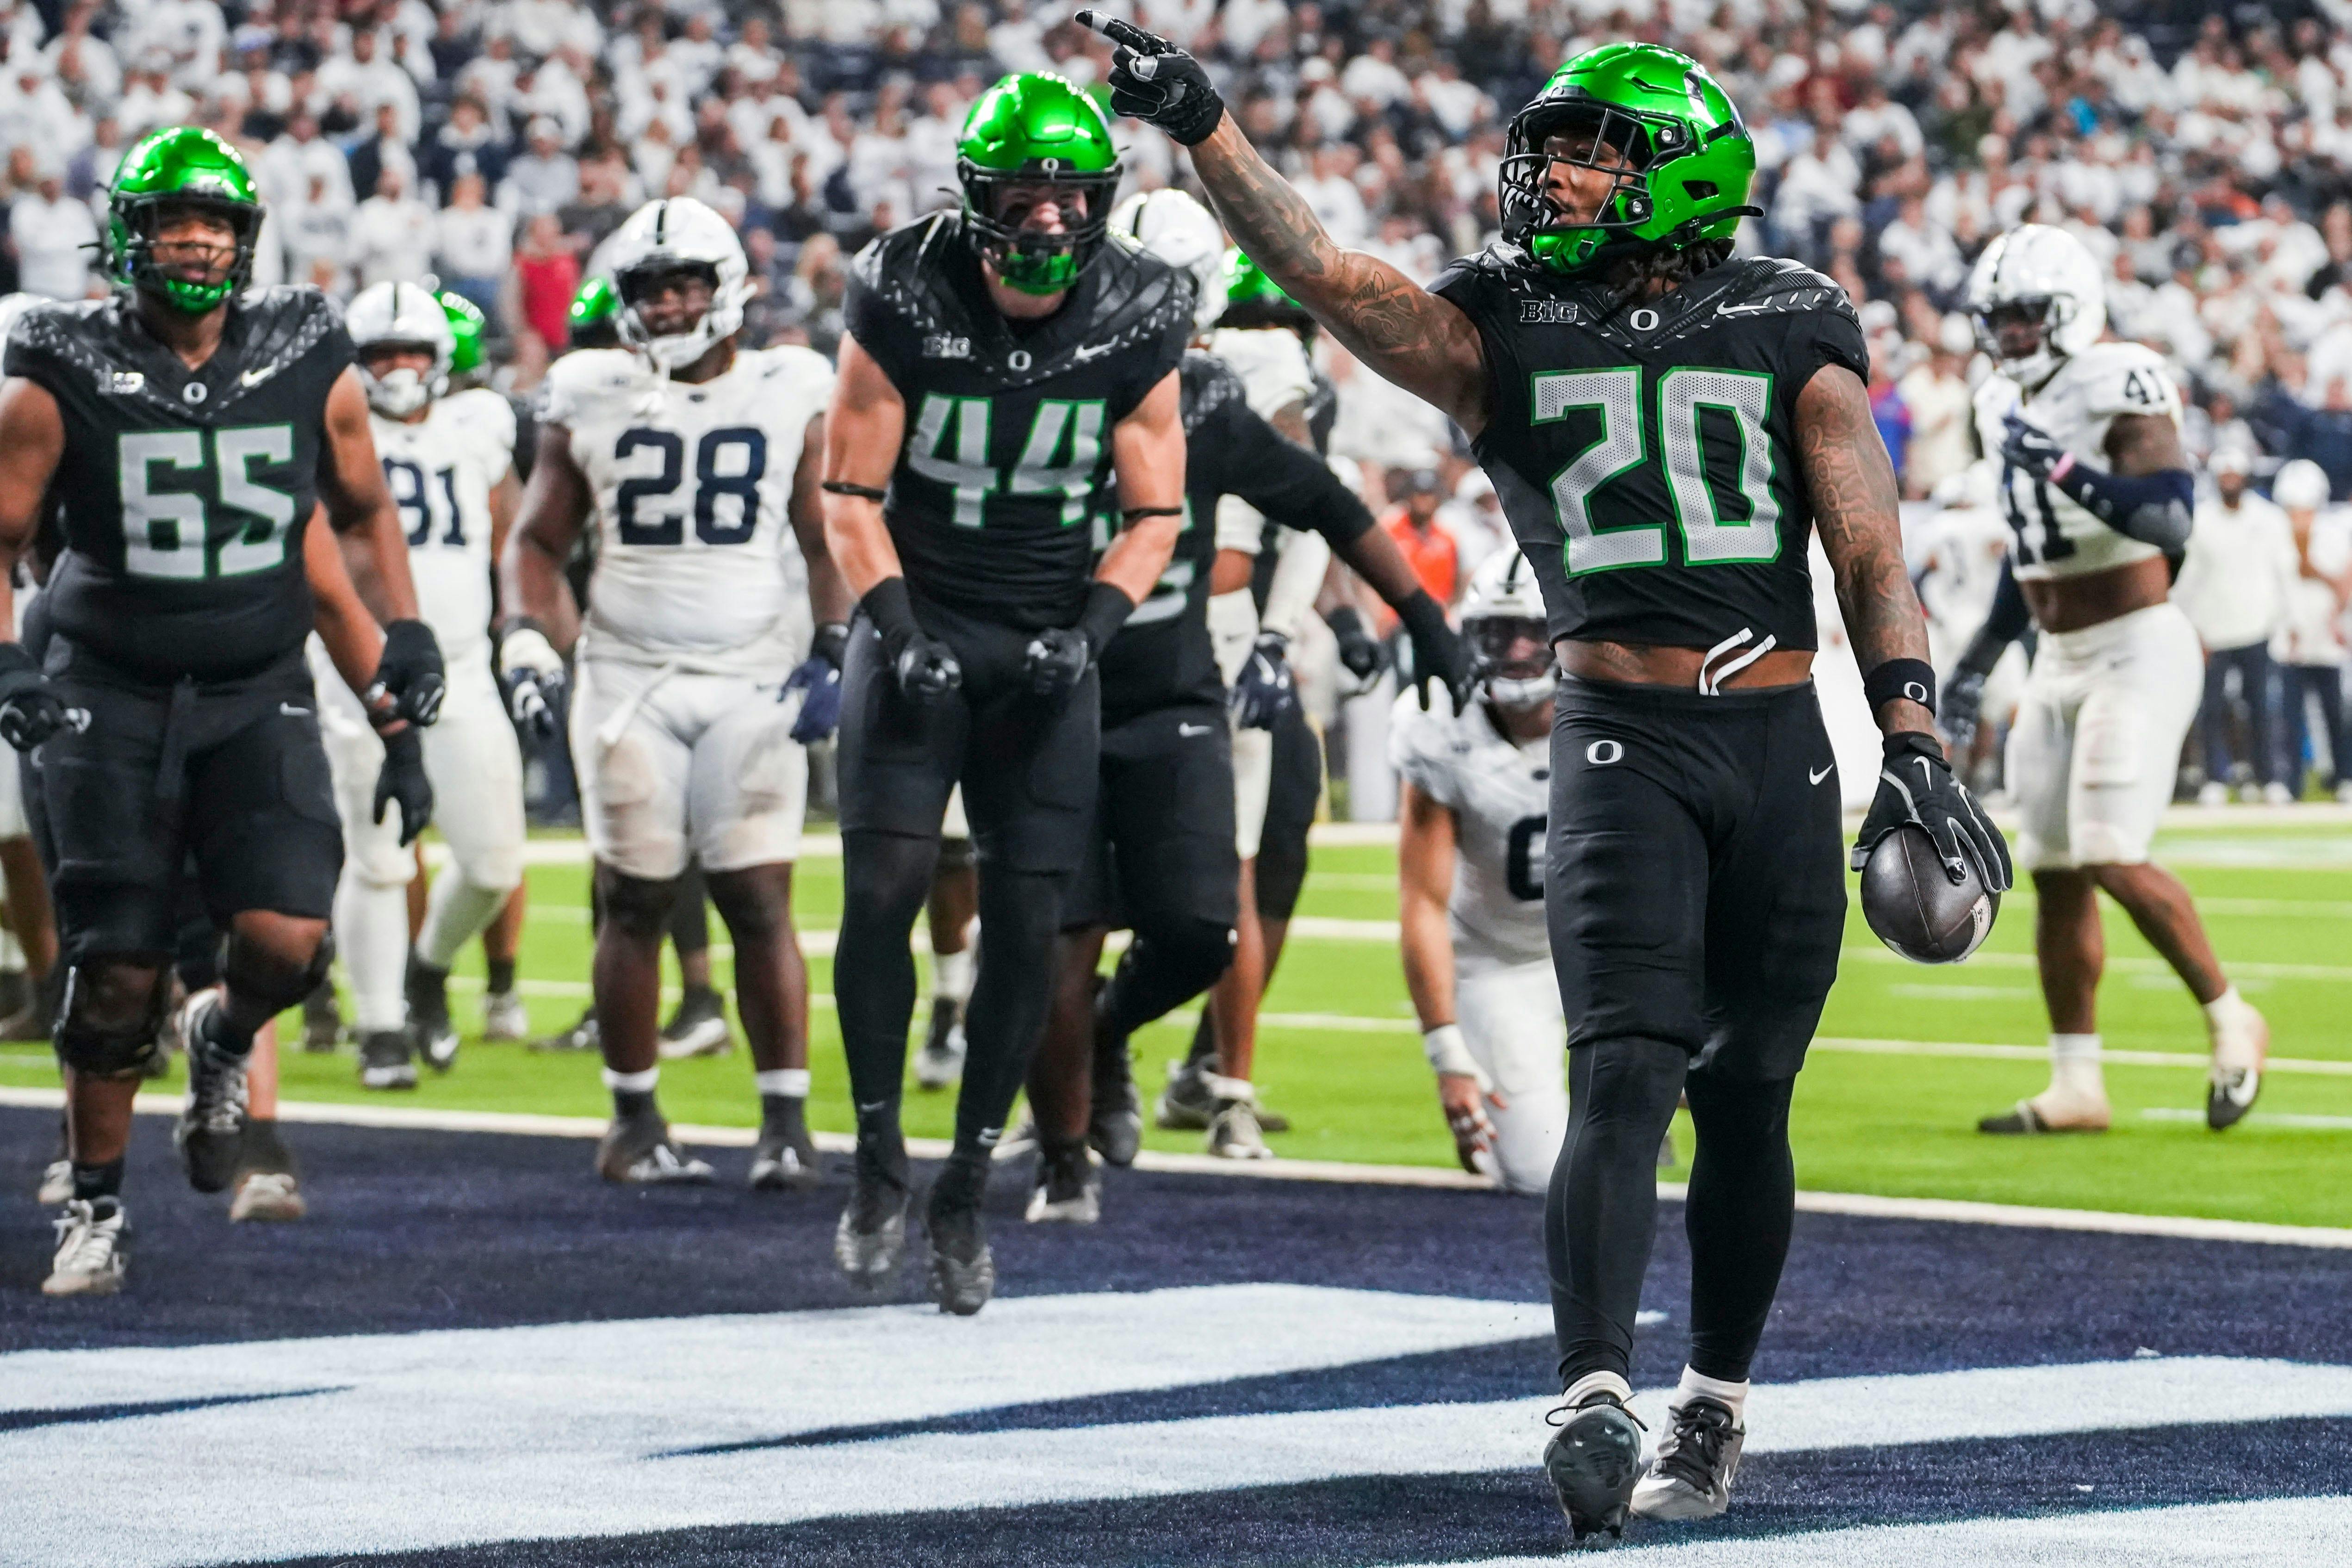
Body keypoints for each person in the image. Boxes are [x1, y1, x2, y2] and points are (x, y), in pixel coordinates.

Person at [1087, 23, 2006, 1539]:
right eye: (1558, 147)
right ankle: (1590, 1387)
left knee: (1750, 1091)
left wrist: (1912, 732)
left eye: (1596, 152)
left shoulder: (1792, 311)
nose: (1561, 176)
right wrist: (1203, 124)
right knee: (1627, 1062)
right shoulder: (1499, 314)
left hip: (1780, 744)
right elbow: (1321, 266)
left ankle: (1710, 1401)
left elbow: (1864, 540)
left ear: (1684, 175)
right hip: (1618, 737)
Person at [0, 127, 441, 1296]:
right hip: (106, 689)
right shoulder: (59, 362)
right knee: (117, 970)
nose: (195, 242)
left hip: (257, 688)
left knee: (289, 942)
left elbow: (353, 519)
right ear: (126, 238)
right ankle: (94, 1207)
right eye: (171, 222)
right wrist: (7, 664)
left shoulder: (305, 350)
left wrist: (404, 659)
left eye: (217, 225)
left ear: (249, 241)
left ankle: (224, 1041)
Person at [819, 72, 1189, 1315]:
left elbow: (1153, 510)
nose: (1045, 222)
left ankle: (967, 1189)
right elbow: (848, 493)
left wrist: (1091, 627)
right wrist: (893, 624)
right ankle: (877, 1164)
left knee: (1029, 934)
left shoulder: (1143, 302)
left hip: (1043, 638)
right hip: (919, 616)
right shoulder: (901, 283)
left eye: (1069, 196)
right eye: (1023, 196)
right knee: (880, 893)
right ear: (975, 200)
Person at [1019, 187, 1462, 1215]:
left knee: (1200, 926)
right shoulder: (1024, 377)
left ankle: (1110, 1036)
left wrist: (1408, 612)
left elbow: (1319, 500)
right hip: (1057, 679)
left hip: (1178, 673)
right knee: (1060, 924)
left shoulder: (1218, 386)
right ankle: (1059, 1155)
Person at [500, 195, 838, 1191]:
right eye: (650, 288)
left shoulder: (791, 384)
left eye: (686, 282)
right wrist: (527, 636)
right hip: (627, 672)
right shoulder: (589, 388)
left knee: (758, 893)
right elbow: (536, 541)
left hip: (754, 669)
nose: (669, 302)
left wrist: (837, 644)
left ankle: (784, 1121)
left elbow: (825, 537)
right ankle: (633, 1117)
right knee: (636, 897)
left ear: (727, 288)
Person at [1959, 223, 2268, 1138]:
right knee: (2053, 870)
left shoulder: (2117, 378)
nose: (2012, 334)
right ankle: (2077, 1083)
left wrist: (2060, 464)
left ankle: (2229, 1013)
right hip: (2053, 654)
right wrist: (1977, 661)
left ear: (2069, 310)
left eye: (2027, 316)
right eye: (1999, 318)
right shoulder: (1993, 401)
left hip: (2138, 640)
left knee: (2107, 848)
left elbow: (2168, 516)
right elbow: (2031, 554)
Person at [321, 281, 525, 1088]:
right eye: (380, 354)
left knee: (493, 861)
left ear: (444, 361)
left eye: (412, 351)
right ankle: (378, 1026)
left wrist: (523, 636)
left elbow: (508, 533)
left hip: (466, 665)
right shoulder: (335, 430)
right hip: (359, 668)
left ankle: (427, 970)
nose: (398, 367)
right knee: (376, 856)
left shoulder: (480, 425)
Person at [1393, 549, 1567, 1196]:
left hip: (1605, 955)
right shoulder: (1440, 726)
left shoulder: (1609, 707)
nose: (1515, 648)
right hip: (1500, 961)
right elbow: (1420, 903)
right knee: (1533, 1173)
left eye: (1530, 629)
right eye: (1496, 631)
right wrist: (1448, 1057)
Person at [2174, 447, 2294, 804]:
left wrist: (2283, 622)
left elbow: (2282, 572)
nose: (2229, 482)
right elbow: (2187, 581)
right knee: (2210, 709)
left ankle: (2270, 777)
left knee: (2260, 707)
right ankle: (2215, 777)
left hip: (2257, 626)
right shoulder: (2200, 520)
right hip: (2213, 629)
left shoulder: (2268, 518)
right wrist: (2193, 629)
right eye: (2223, 476)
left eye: (2234, 476)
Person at [2269, 459, 2352, 799]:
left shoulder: (2334, 534)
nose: (2298, 515)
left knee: (2335, 713)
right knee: (2289, 717)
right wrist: (2286, 625)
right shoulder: (2273, 537)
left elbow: (2342, 584)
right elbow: (2275, 587)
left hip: (2326, 638)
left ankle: (2343, 777)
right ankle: (2290, 783)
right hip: (2290, 639)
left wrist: (2335, 618)